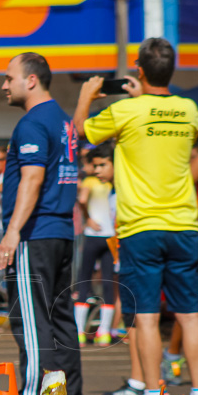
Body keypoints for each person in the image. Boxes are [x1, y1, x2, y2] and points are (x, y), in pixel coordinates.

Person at [75, 37, 198, 395]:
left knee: (146, 318)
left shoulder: (126, 111)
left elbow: (80, 131)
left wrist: (88, 93)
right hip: (183, 224)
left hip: (141, 227)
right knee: (189, 315)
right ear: (171, 70)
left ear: (138, 70)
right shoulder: (190, 110)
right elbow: (161, 120)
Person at [0, 52, 84, 395]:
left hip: (36, 232)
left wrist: (12, 232)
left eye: (8, 78)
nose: (3, 85)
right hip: (62, 230)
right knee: (62, 316)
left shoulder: (32, 123)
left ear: (31, 80)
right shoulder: (63, 121)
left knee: (31, 319)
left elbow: (32, 179)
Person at [74, 142, 118, 346]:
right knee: (109, 284)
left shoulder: (90, 181)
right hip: (110, 236)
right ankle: (104, 332)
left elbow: (82, 200)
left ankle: (79, 332)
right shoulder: (114, 183)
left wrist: (87, 218)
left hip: (94, 234)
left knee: (84, 280)